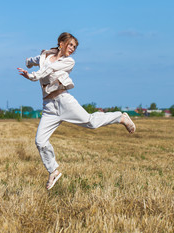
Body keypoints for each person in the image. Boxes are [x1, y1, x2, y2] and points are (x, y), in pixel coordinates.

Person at [17, 32, 136, 190]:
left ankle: (120, 117)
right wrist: (28, 63)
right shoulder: (45, 55)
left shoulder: (69, 62)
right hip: (49, 106)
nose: (72, 49)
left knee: (91, 122)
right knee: (40, 141)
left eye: (74, 47)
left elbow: (49, 69)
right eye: (70, 45)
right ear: (61, 43)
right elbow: (35, 60)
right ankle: (53, 170)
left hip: (64, 101)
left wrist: (32, 76)